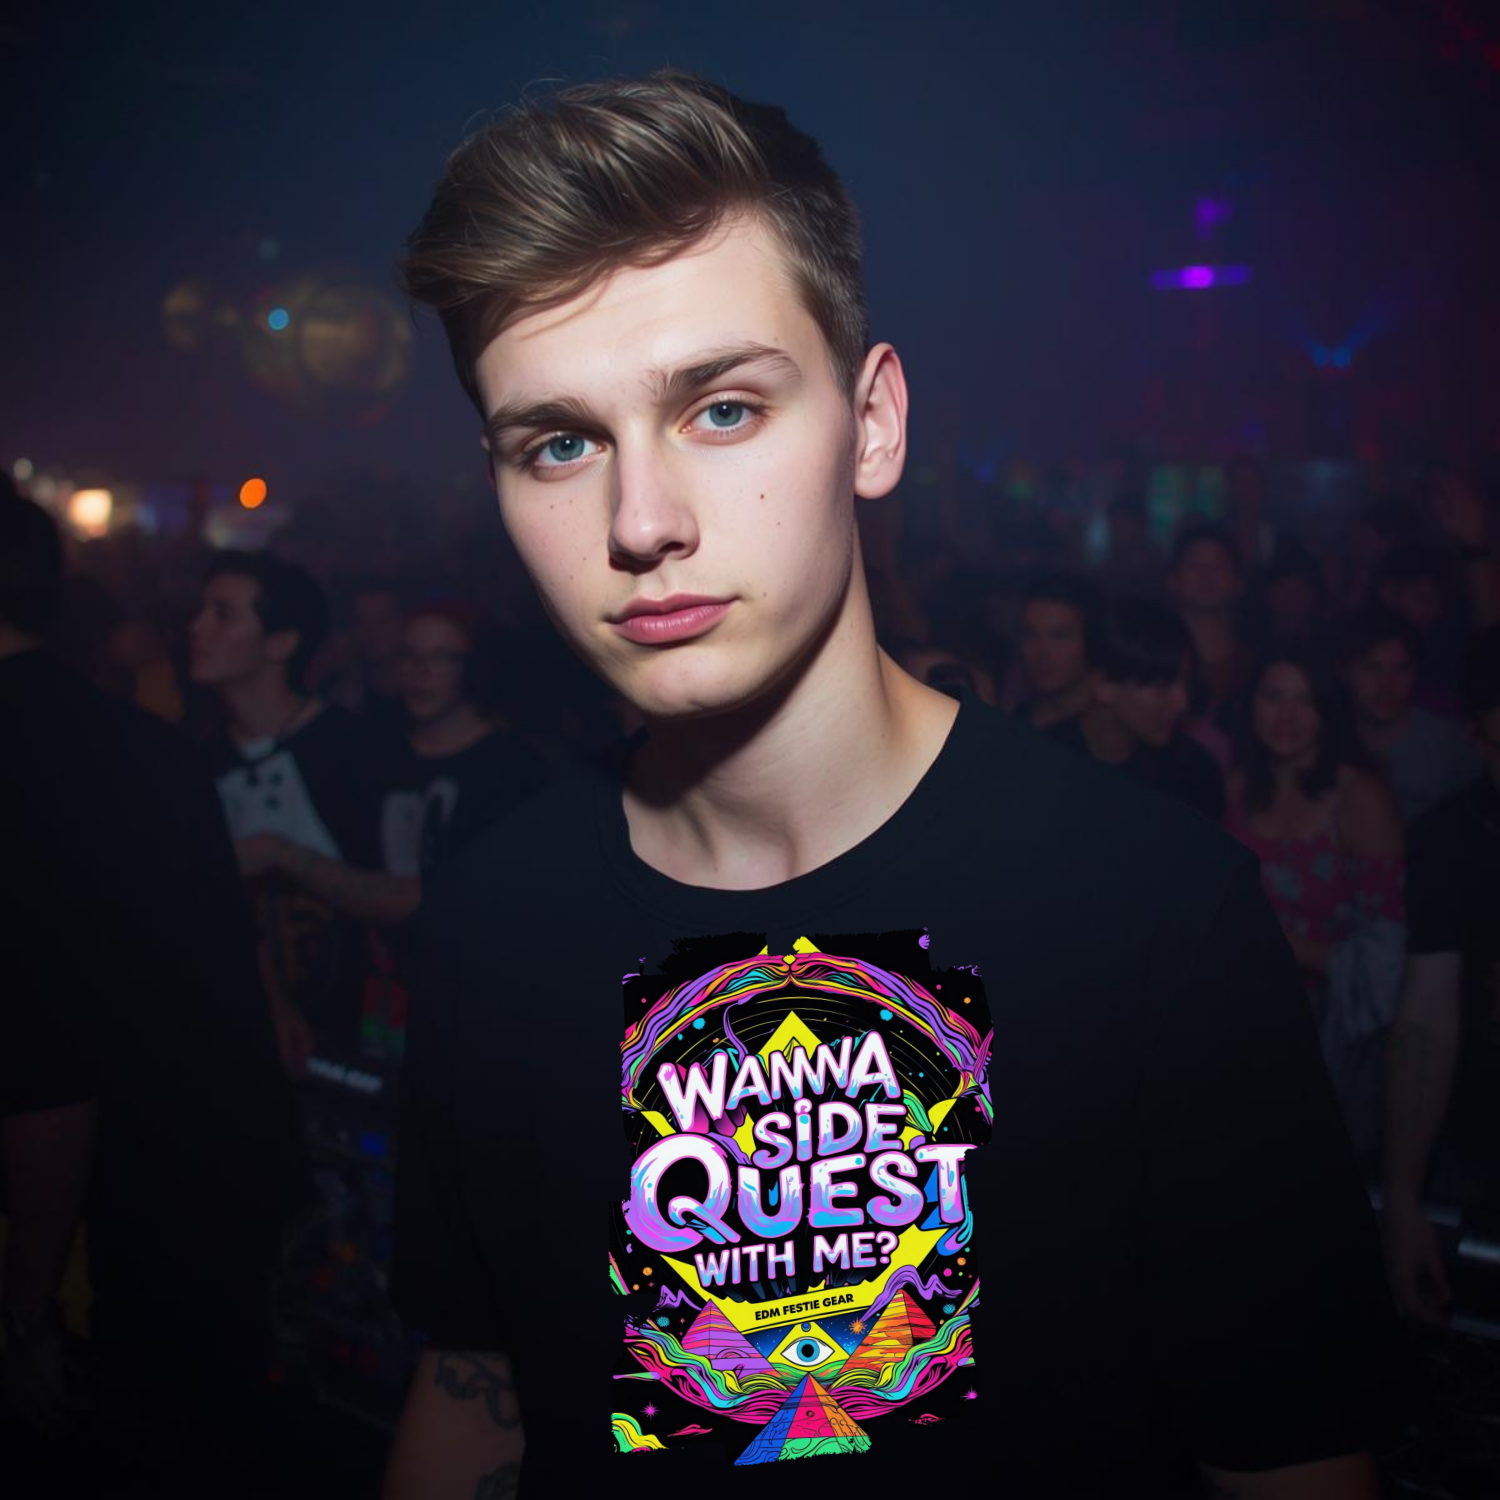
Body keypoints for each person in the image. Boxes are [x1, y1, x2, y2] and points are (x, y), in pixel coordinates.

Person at [386, 71, 1395, 1499]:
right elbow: (479, 1395)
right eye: (560, 443)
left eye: (722, 409)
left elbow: (1291, 1459)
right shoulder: (488, 924)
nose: (641, 522)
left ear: (872, 426)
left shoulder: (1152, 911)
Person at [0, 490, 306, 1494]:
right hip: (204, 1197)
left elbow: (43, 1064)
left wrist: (27, 1307)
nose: (196, 628)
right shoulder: (155, 742)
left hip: (111, 1231)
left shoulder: (49, 750)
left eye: (227, 612)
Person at [188, 550, 417, 1058]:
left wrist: (281, 854)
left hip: (361, 1038)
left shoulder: (362, 751)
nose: (197, 627)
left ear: (282, 643)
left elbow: (408, 899)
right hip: (232, 1040)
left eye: (222, 613)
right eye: (201, 610)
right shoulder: (193, 760)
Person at [1227, 650, 1404, 1157]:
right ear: (1251, 706)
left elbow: (1389, 957)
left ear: (1328, 711)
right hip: (1243, 1021)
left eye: (1305, 700)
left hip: (1336, 1035)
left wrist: (1280, 942)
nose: (1286, 715)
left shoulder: (1361, 798)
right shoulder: (1236, 787)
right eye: (1273, 696)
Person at [1383, 626, 1500, 1322]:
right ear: (1477, 738)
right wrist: (1403, 1198)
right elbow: (1425, 1018)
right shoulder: (1448, 837)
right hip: (1476, 1141)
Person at [382, 602, 551, 876]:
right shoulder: (381, 752)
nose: (420, 671)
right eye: (409, 655)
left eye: (440, 657)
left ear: (473, 666)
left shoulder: (513, 766)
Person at [1050, 598, 1225, 821]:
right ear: (1103, 685)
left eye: (1184, 682)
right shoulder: (1047, 763)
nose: (1182, 702)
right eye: (1162, 685)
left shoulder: (1195, 775)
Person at [1340, 607, 1483, 824]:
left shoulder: (1451, 746)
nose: (1387, 685)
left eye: (1400, 669)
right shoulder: (1326, 744)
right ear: (1345, 673)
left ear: (1415, 673)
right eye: (1371, 669)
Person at [1167, 520, 1255, 733]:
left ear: (1238, 583)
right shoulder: (1154, 663)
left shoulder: (1255, 665)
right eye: (1194, 565)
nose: (1206, 574)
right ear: (1172, 581)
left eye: (1219, 565)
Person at [1010, 573, 1097, 729]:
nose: (1043, 652)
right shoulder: (1013, 723)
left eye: (1060, 636)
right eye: (1030, 635)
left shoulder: (1110, 733)